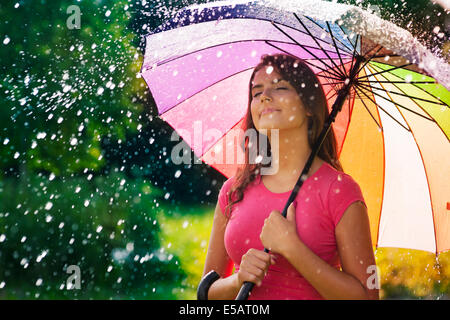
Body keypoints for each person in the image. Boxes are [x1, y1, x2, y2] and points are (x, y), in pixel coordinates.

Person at [202, 53, 379, 300]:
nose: (264, 96)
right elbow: (205, 293)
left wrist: (292, 248)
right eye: (256, 92)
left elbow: (368, 296)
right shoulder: (234, 189)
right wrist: (238, 280)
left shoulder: (339, 191)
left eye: (281, 87)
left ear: (308, 106)